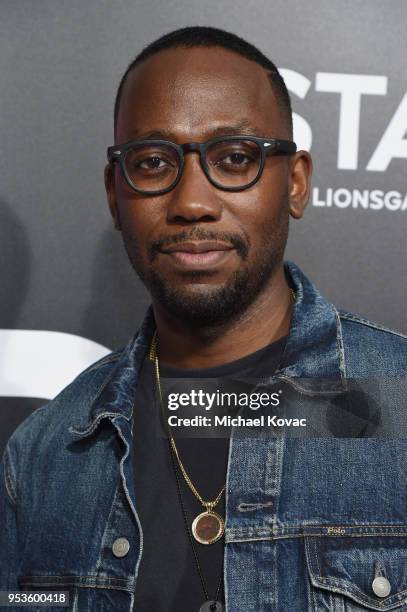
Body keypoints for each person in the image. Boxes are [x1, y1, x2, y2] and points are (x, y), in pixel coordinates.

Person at [1, 26, 406, 612]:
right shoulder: (45, 455)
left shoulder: (395, 402)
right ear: (116, 194)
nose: (192, 201)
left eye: (236, 158)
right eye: (153, 161)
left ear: (295, 182)